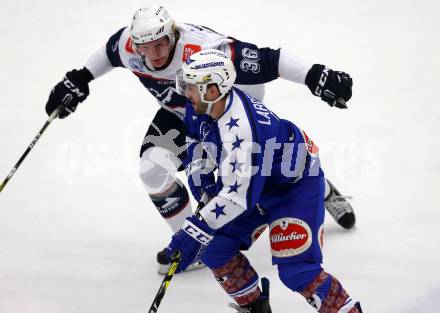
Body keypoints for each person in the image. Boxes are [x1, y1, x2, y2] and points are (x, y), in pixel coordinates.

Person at [44, 5, 355, 274]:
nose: (155, 54)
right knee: (153, 171)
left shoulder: (205, 49)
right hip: (186, 111)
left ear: (174, 34)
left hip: (229, 107)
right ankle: (193, 247)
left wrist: (317, 76)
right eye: (146, 47)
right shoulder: (128, 45)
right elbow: (108, 53)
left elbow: (269, 59)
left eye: (162, 42)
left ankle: (322, 188)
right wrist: (79, 78)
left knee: (263, 174)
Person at [167, 49, 362, 313]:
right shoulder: (201, 107)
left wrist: (197, 228)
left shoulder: (242, 131)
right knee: (213, 248)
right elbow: (194, 139)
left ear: (212, 90)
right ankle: (256, 309)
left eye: (191, 87)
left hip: (294, 189)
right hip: (258, 184)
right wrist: (201, 180)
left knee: (298, 272)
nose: (185, 93)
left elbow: (239, 198)